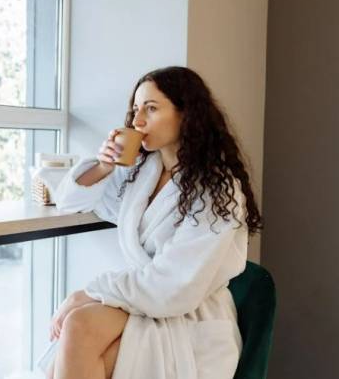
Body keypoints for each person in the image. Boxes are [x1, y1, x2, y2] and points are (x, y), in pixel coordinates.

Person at [48, 66, 263, 379]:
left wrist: (88, 293)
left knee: (78, 329)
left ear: (186, 114)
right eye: (135, 109)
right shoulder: (142, 172)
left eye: (150, 108)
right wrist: (105, 166)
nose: (137, 121)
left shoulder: (216, 189)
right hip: (145, 302)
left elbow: (174, 285)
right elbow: (70, 201)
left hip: (188, 316)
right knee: (76, 332)